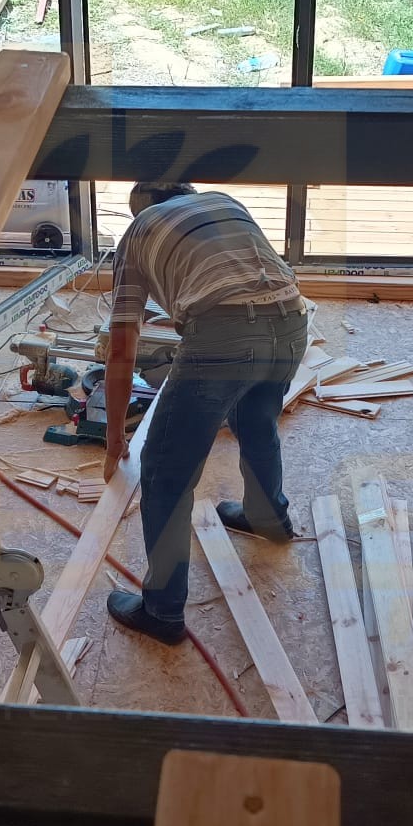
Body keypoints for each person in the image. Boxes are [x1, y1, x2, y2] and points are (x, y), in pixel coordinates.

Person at [101, 182, 308, 644]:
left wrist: (115, 439)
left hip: (223, 335)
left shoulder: (138, 232)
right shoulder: (222, 201)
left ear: (141, 209)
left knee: (166, 474)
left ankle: (162, 612)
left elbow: (121, 349)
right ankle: (268, 518)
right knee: (255, 422)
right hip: (292, 319)